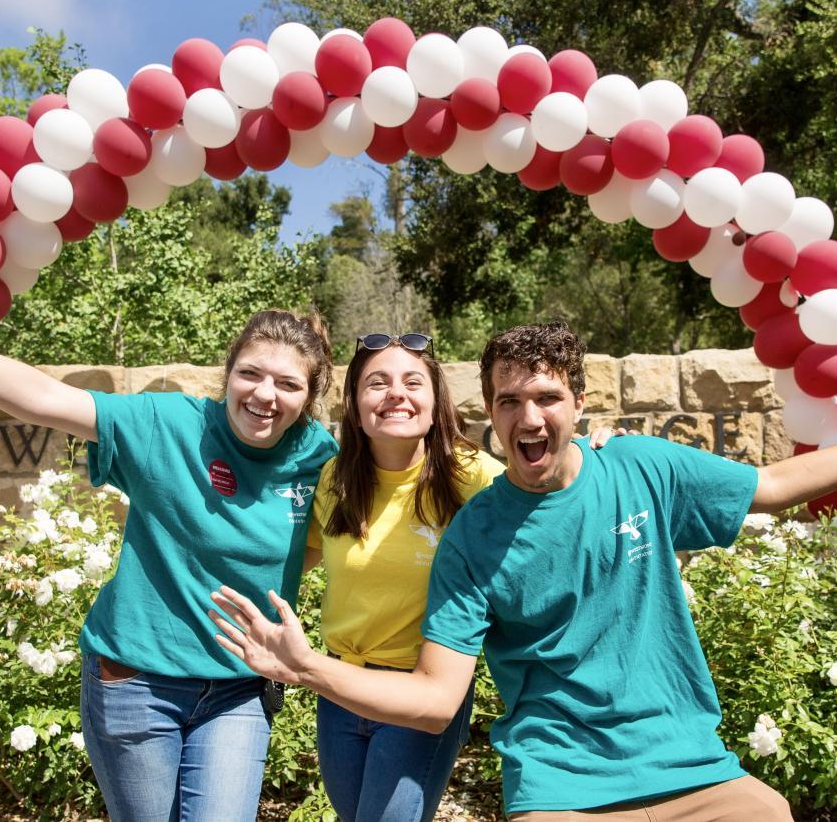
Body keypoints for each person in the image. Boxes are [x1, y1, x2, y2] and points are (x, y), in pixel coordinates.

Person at [210, 320, 837, 821]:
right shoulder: (456, 529)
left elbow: (776, 483)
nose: (530, 419)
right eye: (510, 401)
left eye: (547, 398)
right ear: (490, 410)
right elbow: (293, 555)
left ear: (580, 404)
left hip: (692, 766)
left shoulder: (635, 469)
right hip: (556, 777)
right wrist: (302, 661)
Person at [0, 309, 337, 822]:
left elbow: (319, 546)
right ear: (228, 373)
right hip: (136, 684)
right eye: (251, 373)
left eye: (288, 383)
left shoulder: (321, 460)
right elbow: (40, 397)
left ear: (308, 396)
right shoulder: (168, 425)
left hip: (239, 690)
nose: (265, 395)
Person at [305, 331, 505, 821]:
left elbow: (553, 495)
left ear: (436, 403)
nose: (396, 392)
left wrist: (592, 452)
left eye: (412, 381)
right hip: (339, 690)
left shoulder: (473, 476)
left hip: (419, 692)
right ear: (353, 404)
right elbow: (294, 557)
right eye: (377, 383)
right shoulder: (334, 479)